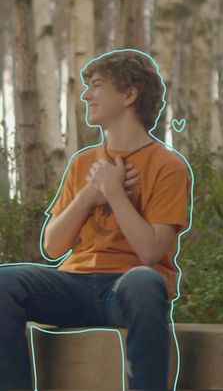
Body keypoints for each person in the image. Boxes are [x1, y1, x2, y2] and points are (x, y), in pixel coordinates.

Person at [0, 50, 190, 390]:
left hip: (127, 287)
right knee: (4, 283)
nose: (86, 94)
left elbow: (149, 253)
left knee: (145, 283)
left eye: (97, 85)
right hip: (72, 285)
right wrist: (90, 194)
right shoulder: (82, 162)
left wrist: (115, 193)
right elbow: (52, 246)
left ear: (129, 95)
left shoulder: (168, 166)